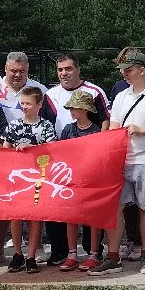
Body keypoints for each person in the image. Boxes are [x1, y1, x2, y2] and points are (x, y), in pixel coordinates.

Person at [97, 49, 145, 273]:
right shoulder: (121, 96)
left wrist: (142, 130)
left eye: (128, 70)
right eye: (123, 71)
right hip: (123, 159)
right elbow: (114, 127)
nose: (124, 75)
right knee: (116, 207)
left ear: (142, 69)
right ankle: (113, 255)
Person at [0, 85, 56, 272]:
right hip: (16, 178)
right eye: (22, 103)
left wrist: (31, 147)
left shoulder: (46, 126)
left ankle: (31, 255)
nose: (24, 107)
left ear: (39, 105)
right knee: (15, 217)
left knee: (34, 218)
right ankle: (17, 253)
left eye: (28, 103)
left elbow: (53, 149)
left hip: (38, 178)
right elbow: (4, 150)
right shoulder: (13, 125)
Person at [51, 89, 105, 272]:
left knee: (93, 217)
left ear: (85, 109)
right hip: (71, 180)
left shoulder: (96, 131)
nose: (71, 111)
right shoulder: (68, 129)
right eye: (70, 108)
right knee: (70, 218)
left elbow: (99, 156)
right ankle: (72, 254)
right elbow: (60, 153)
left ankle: (93, 254)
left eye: (75, 107)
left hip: (91, 180)